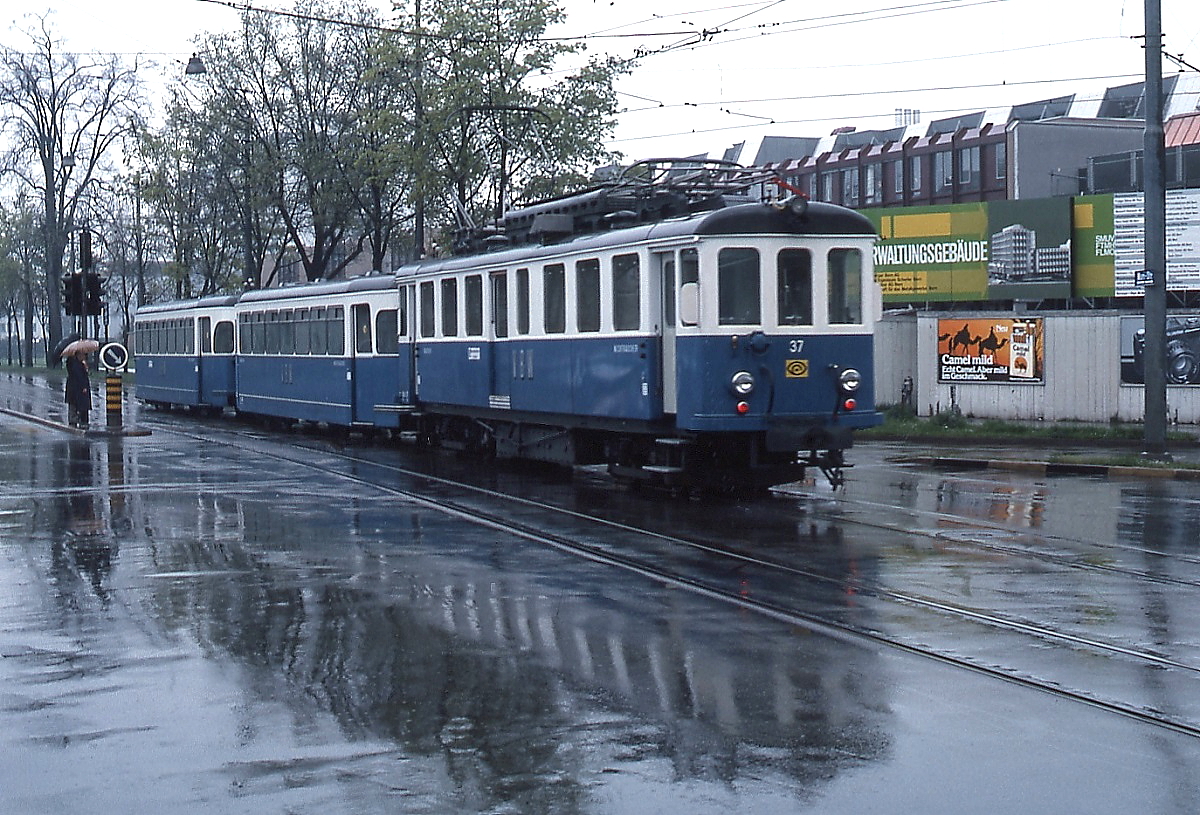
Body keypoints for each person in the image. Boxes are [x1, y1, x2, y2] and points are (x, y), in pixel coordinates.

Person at [65, 349, 92, 428]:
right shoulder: (75, 365)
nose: (84, 356)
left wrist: (85, 367)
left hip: (75, 389)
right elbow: (80, 377)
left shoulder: (78, 364)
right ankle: (76, 421)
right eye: (83, 355)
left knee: (75, 404)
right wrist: (84, 387)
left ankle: (76, 420)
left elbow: (86, 374)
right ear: (78, 355)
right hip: (76, 389)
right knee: (76, 405)